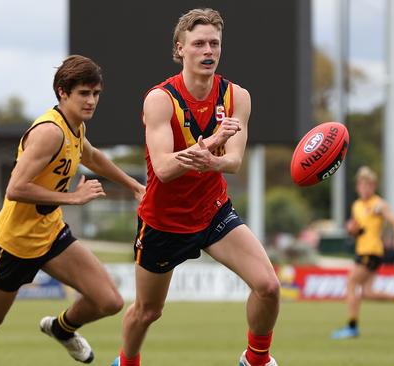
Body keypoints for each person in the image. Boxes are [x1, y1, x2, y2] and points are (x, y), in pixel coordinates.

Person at [0, 55, 145, 366]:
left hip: (50, 236)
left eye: (96, 94)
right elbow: (16, 188)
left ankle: (61, 329)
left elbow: (92, 157)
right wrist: (73, 199)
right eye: (84, 94)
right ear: (63, 93)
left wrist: (133, 186)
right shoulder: (49, 131)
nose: (91, 101)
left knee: (109, 301)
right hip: (11, 244)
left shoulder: (75, 127)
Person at [111, 8, 280, 366]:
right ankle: (126, 362)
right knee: (147, 311)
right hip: (164, 221)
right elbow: (163, 168)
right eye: (199, 43)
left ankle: (256, 359)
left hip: (213, 212)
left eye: (214, 43)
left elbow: (233, 161)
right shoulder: (160, 99)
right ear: (180, 49)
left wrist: (214, 160)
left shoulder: (238, 97)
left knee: (268, 287)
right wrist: (210, 142)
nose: (208, 51)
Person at [331, 166, 394, 339]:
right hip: (361, 251)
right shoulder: (356, 206)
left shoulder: (378, 204)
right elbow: (357, 231)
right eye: (362, 185)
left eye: (368, 185)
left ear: (373, 186)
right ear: (358, 186)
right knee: (368, 292)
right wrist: (351, 230)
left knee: (351, 282)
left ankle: (352, 327)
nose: (365, 188)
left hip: (372, 252)